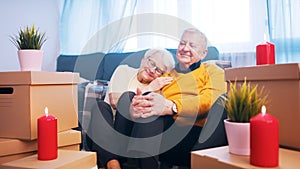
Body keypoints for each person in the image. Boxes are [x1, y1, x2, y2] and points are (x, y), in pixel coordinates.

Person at [105, 28, 226, 169]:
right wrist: (140, 104)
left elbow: (210, 100)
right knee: (149, 106)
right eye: (182, 43)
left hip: (198, 133)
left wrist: (172, 106)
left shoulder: (213, 71)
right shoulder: (166, 76)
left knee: (224, 103)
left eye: (192, 46)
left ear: (203, 53)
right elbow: (149, 100)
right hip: (169, 135)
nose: (185, 48)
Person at [88, 48, 175, 169]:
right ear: (143, 60)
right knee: (100, 106)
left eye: (158, 70)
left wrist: (153, 89)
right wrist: (149, 87)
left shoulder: (160, 88)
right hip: (108, 132)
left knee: (129, 97)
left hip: (131, 135)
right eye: (152, 63)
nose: (152, 70)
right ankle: (113, 164)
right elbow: (115, 101)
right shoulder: (124, 70)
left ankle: (108, 163)